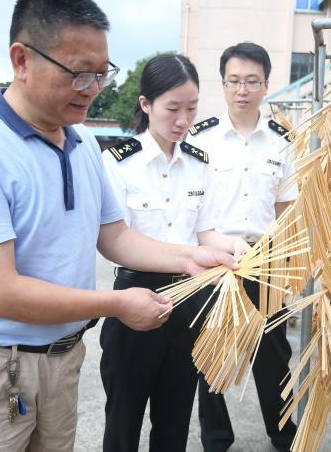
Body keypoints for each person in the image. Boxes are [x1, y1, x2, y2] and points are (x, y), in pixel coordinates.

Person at [0, 0, 237, 451]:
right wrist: (118, 304)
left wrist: (192, 255)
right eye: (78, 74)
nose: (92, 88)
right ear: (21, 59)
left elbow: (115, 236)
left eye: (102, 73)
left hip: (62, 360)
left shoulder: (83, 143)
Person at [99, 54, 250, 452]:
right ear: (146, 104)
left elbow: (206, 233)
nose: (183, 120)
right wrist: (190, 255)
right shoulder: (119, 164)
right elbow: (117, 241)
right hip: (132, 300)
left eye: (192, 108)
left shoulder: (200, 165)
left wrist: (235, 246)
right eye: (173, 109)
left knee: (174, 420)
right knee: (123, 421)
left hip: (189, 305)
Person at [189, 42, 299, 452]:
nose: (242, 89)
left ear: (266, 84)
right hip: (215, 260)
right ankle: (216, 439)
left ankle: (284, 435)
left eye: (252, 81)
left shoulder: (282, 140)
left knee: (274, 356)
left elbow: (287, 209)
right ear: (223, 84)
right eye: (234, 81)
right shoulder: (202, 139)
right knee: (212, 353)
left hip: (267, 261)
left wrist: (288, 261)